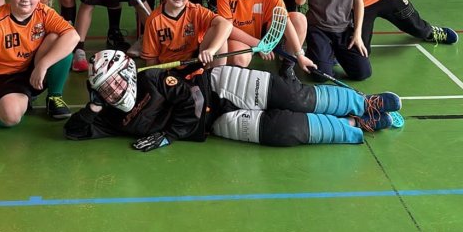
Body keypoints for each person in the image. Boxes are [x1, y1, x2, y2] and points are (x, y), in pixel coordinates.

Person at [63, 49, 404, 147]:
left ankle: (363, 103)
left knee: (292, 96)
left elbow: (191, 101)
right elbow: (73, 131)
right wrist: (94, 105)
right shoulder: (109, 115)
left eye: (114, 84)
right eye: (105, 89)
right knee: (284, 131)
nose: (113, 92)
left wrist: (168, 134)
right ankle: (353, 125)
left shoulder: (152, 79)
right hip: (212, 125)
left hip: (218, 85)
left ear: (126, 73)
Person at [140, 0, 232, 67]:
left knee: (219, 32)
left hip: (196, 61)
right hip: (170, 69)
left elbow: (227, 25)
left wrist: (211, 50)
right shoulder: (154, 20)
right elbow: (151, 61)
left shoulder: (196, 10)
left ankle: (215, 74)